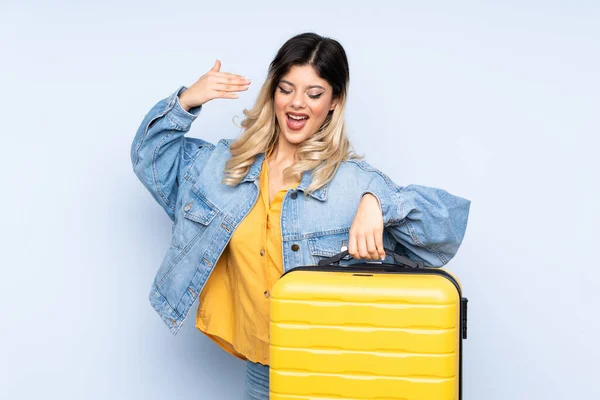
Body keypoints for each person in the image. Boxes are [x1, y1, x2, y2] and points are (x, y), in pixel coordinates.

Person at [130, 32, 471, 400]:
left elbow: (447, 227)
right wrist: (186, 101)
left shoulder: (354, 183)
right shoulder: (223, 167)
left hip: (335, 371)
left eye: (314, 93)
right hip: (262, 372)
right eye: (286, 88)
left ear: (334, 103)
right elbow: (149, 159)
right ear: (272, 92)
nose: (297, 104)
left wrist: (380, 203)